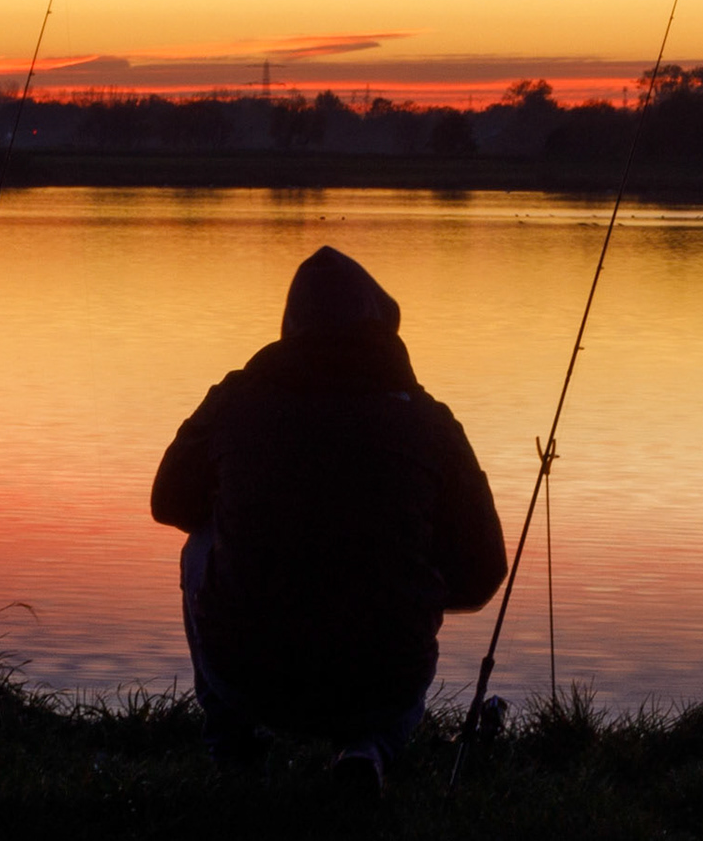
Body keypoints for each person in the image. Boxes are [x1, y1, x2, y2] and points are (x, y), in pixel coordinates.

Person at [151, 246, 507, 791]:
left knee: (201, 542)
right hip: (381, 681)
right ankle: (368, 749)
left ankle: (232, 751)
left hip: (250, 676)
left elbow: (168, 503)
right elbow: (483, 571)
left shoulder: (236, 400)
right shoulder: (430, 422)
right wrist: (414, 583)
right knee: (416, 569)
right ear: (382, 333)